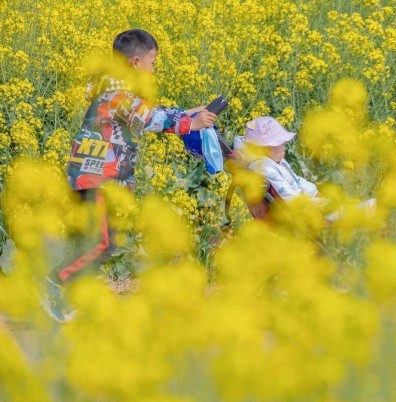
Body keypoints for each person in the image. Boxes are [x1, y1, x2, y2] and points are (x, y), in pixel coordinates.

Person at [41, 29, 217, 322]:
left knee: (95, 242)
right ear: (136, 62)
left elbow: (143, 114)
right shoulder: (117, 92)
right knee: (101, 243)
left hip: (97, 176)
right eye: (152, 63)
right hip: (96, 177)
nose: (153, 70)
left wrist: (187, 114)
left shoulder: (112, 86)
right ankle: (54, 283)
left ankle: (65, 299)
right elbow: (147, 118)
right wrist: (190, 124)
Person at [234, 116, 375, 221]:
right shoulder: (264, 169)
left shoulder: (273, 161)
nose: (285, 145)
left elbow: (296, 180)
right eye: (282, 143)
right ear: (268, 149)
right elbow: (289, 197)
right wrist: (317, 204)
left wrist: (314, 192)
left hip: (302, 204)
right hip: (299, 213)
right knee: (340, 209)